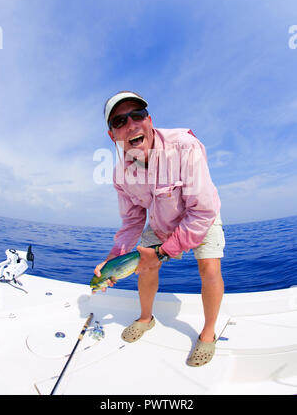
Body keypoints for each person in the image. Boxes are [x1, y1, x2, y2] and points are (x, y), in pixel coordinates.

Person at [94, 91, 225, 367]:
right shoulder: (120, 175)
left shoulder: (185, 146)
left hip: (200, 215)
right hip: (161, 222)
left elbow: (202, 211)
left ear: (149, 121)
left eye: (137, 115)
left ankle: (209, 333)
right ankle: (145, 318)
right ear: (112, 136)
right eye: (119, 121)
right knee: (145, 265)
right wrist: (113, 258)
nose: (131, 124)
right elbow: (132, 221)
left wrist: (164, 252)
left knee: (209, 269)